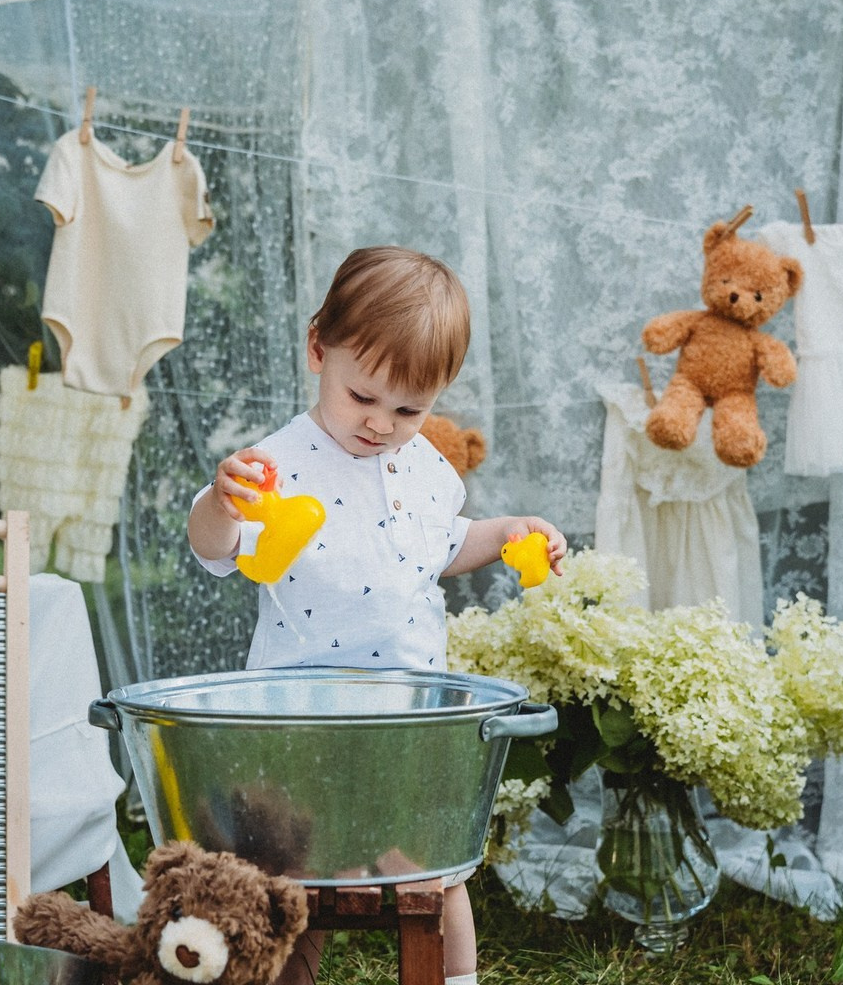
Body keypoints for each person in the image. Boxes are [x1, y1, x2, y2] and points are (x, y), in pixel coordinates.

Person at [188, 245, 566, 985]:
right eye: (362, 397)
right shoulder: (277, 466)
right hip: (299, 713)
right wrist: (218, 501)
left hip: (408, 711)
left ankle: (453, 981)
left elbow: (442, 547)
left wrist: (508, 533)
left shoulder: (424, 463)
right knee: (295, 882)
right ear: (317, 349)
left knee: (433, 870)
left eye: (408, 408)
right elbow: (218, 548)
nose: (381, 424)